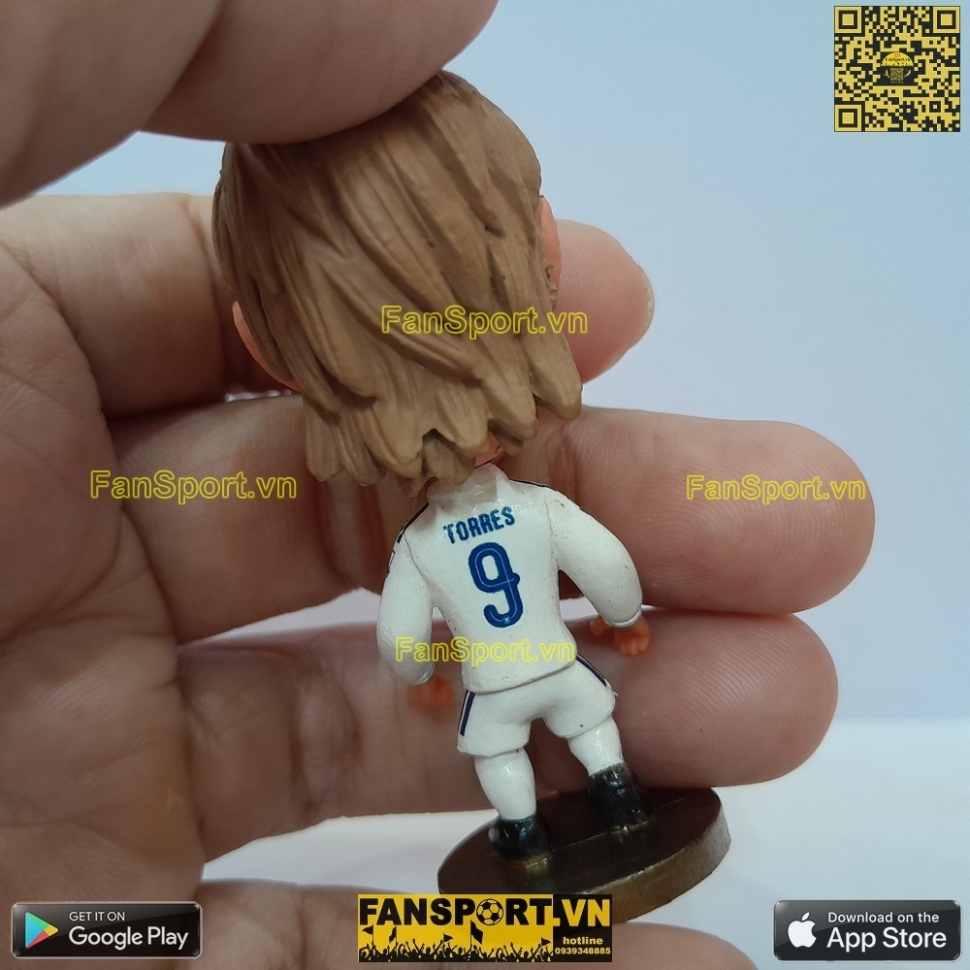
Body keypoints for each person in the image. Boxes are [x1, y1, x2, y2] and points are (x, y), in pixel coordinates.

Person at [0, 2, 873, 966]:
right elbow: (606, 562)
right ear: (545, 250)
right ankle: (620, 797)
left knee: (500, 760)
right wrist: (624, 619)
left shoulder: (415, 547)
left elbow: (403, 636)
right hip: (560, 663)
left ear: (264, 348)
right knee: (596, 732)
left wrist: (418, 678)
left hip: (490, 685)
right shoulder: (539, 508)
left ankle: (522, 838)